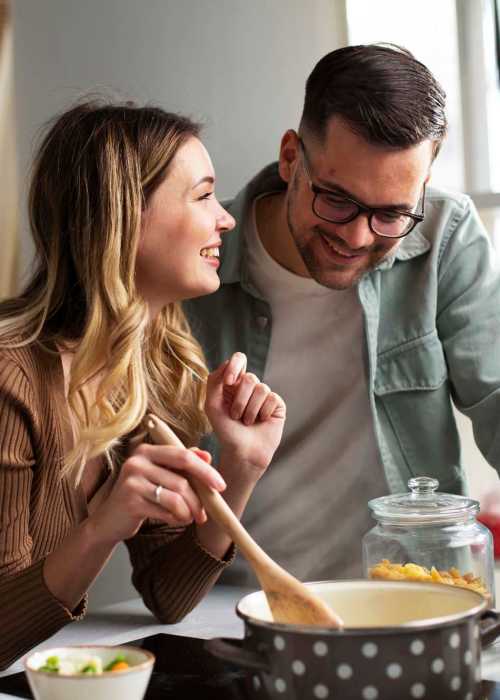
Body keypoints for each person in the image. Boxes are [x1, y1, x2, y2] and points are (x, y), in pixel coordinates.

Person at [184, 43, 500, 587]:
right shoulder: (195, 261)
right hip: (236, 604)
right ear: (290, 158)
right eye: (336, 199)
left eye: (392, 213)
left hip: (413, 593)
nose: (356, 237)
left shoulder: (445, 234)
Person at [0, 101, 286, 669]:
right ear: (125, 217)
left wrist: (238, 469)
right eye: (203, 196)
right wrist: (103, 525)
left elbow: (167, 595)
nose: (225, 219)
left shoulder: (147, 373)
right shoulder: (11, 380)